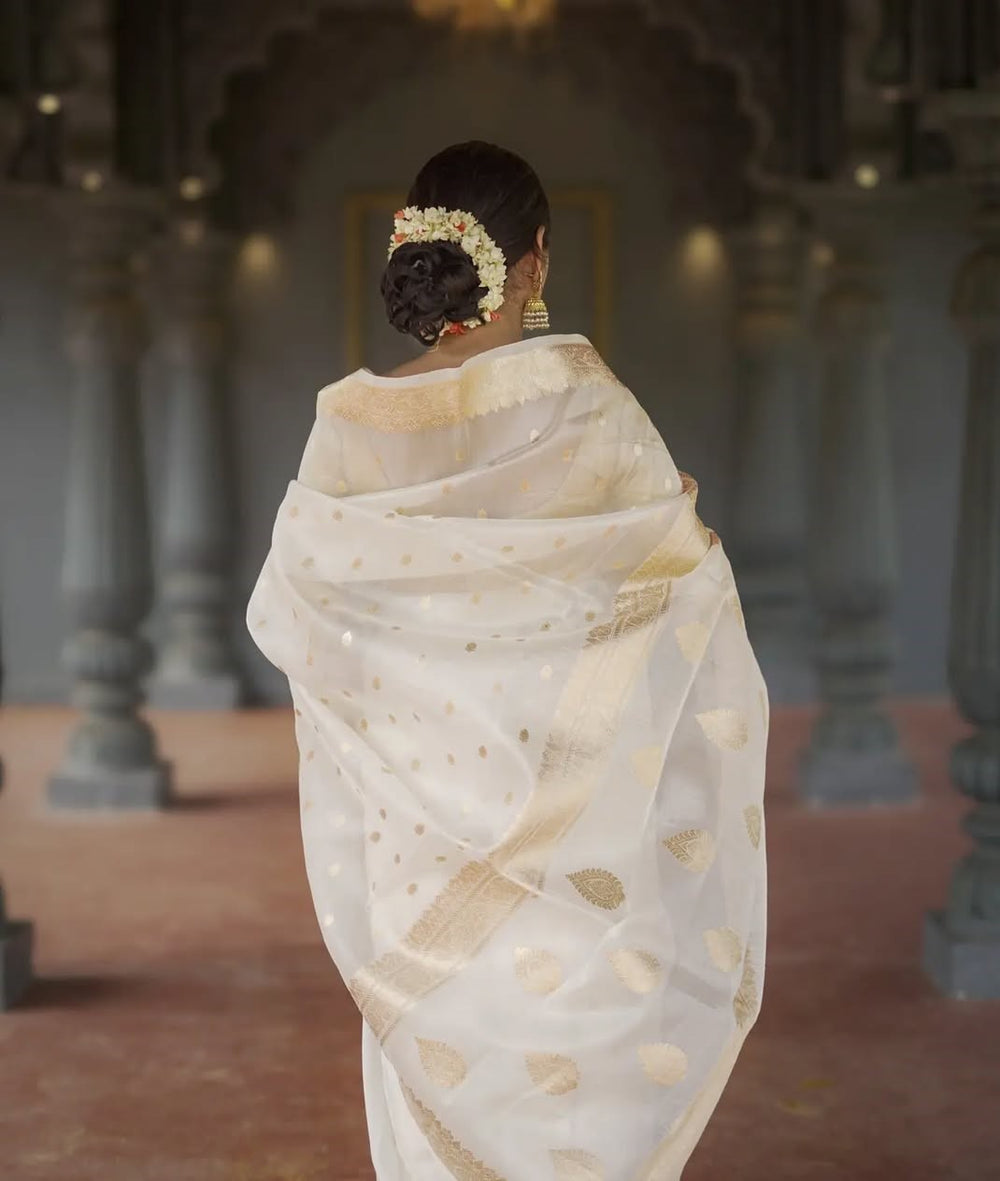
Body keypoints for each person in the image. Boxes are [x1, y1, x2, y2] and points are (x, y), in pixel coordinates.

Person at [247, 140, 768, 1180]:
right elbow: (672, 590)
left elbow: (295, 616)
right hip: (572, 822)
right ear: (534, 259)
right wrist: (688, 549)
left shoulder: (347, 423)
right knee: (580, 1076)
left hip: (415, 840)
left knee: (436, 1047)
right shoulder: (586, 403)